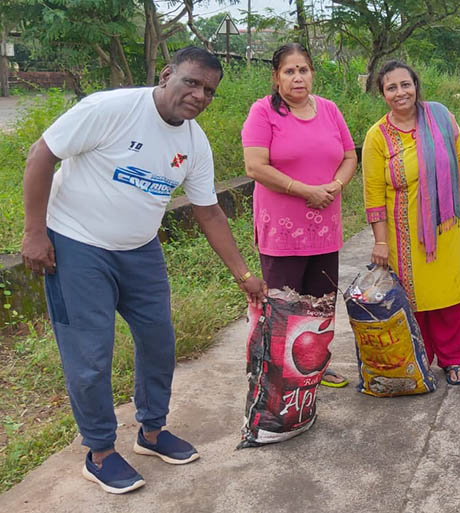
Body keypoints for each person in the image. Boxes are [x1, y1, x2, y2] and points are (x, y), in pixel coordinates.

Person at [19, 47, 267, 494]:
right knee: (91, 357)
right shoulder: (111, 108)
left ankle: (151, 432)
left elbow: (208, 212)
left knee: (158, 342)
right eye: (191, 82)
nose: (198, 95)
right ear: (168, 74)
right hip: (78, 246)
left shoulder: (194, 144)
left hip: (140, 251)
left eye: (208, 91)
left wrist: (243, 274)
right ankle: (99, 453)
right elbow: (41, 155)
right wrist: (35, 233)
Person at [361, 60, 460, 386]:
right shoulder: (378, 136)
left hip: (449, 226)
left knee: (451, 293)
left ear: (416, 86)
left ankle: (453, 358)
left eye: (406, 84)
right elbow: (373, 193)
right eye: (392, 87)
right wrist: (380, 241)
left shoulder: (441, 117)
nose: (400, 92)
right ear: (383, 94)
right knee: (415, 300)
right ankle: (421, 357)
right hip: (404, 233)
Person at [242, 43, 356, 389]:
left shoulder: (330, 110)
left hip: (325, 228)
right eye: (289, 71)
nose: (297, 77)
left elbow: (350, 156)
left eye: (303, 70)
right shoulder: (263, 112)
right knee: (282, 304)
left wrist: (335, 185)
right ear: (276, 77)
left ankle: (315, 364)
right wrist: (305, 190)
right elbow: (255, 165)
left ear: (312, 74)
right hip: (282, 232)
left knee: (320, 302)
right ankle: (276, 373)